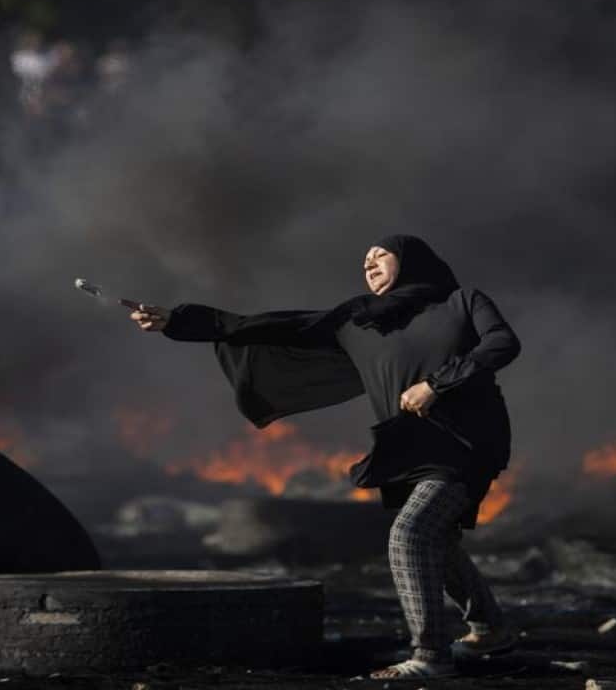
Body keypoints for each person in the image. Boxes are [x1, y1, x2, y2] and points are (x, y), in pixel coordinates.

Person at [129, 234, 521, 679]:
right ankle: (489, 629)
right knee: (438, 539)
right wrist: (177, 321)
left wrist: (436, 385)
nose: (369, 262)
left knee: (409, 536)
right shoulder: (358, 320)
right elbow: (271, 325)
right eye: (365, 258)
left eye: (380, 254)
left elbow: (502, 343)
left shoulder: (461, 302)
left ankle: (429, 656)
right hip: (409, 445)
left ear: (411, 261)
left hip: (470, 439)